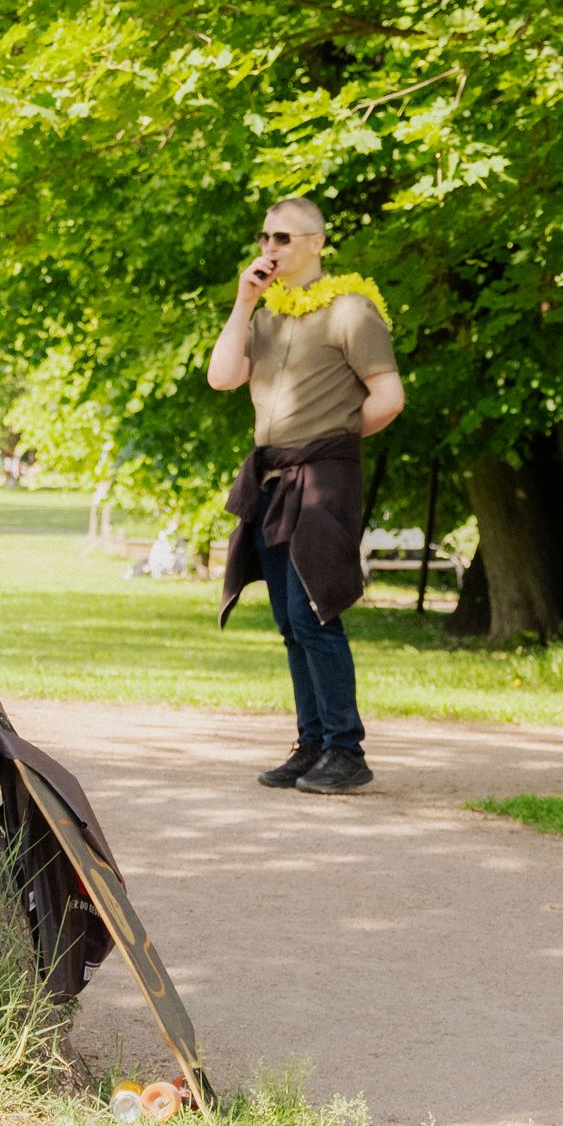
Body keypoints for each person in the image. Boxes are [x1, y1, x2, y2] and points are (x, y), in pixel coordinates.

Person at [206, 199, 404, 795]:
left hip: (322, 477)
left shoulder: (350, 311)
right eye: (265, 235)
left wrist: (334, 440)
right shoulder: (263, 319)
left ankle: (347, 750)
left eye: (284, 237)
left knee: (314, 612)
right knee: (290, 623)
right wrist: (243, 302)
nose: (271, 246)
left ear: (316, 243)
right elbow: (221, 377)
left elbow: (388, 397)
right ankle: (312, 743)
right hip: (269, 479)